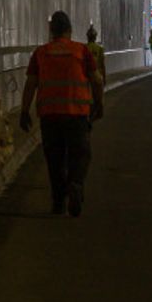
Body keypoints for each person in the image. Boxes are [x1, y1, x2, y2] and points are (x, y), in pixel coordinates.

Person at [19, 11, 104, 217]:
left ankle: (58, 202)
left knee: (54, 158)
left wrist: (24, 111)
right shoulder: (81, 51)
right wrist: (99, 103)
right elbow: (96, 80)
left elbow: (31, 84)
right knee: (81, 153)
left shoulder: (40, 53)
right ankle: (75, 184)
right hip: (77, 114)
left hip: (50, 115)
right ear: (70, 30)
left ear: (51, 31)